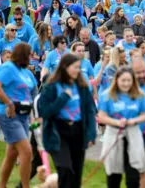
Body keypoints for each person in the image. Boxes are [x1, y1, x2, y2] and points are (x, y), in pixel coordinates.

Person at [38, 53, 96, 188]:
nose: (78, 71)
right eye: (75, 67)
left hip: (77, 131)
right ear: (64, 67)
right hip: (58, 131)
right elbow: (45, 112)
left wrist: (91, 133)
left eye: (79, 68)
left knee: (76, 174)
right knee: (65, 169)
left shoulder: (81, 86)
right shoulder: (52, 86)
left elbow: (90, 110)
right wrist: (63, 98)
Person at [0, 43, 37, 188]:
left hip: (23, 116)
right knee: (27, 151)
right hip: (9, 115)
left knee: (12, 154)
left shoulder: (27, 72)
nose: (32, 57)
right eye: (30, 54)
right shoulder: (8, 68)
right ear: (23, 54)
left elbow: (33, 93)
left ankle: (1, 185)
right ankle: (25, 186)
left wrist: (33, 115)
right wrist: (9, 103)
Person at [98, 66, 145, 188]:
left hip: (133, 134)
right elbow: (102, 117)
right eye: (123, 80)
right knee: (114, 175)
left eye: (129, 81)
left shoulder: (139, 95)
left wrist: (133, 120)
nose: (126, 84)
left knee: (133, 176)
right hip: (114, 134)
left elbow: (144, 114)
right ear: (117, 80)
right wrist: (116, 122)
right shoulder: (107, 95)